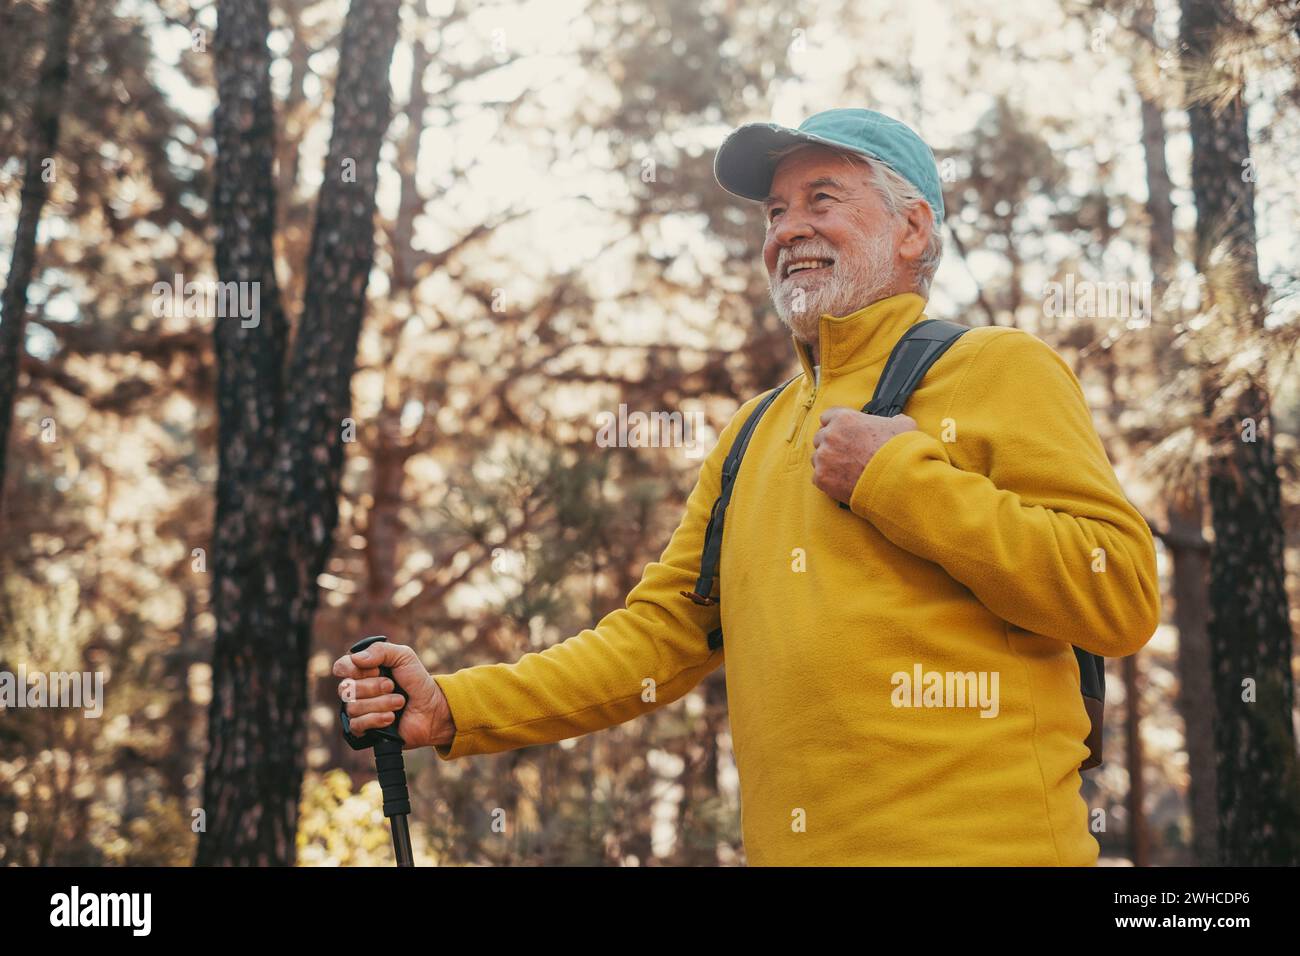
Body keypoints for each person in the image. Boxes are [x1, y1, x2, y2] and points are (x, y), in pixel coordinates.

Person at [334, 108, 1161, 865]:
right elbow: (658, 638)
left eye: (822, 198)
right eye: (775, 212)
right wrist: (455, 710)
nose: (789, 229)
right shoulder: (752, 435)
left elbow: (1118, 590)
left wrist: (898, 478)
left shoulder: (997, 366)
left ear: (913, 229)